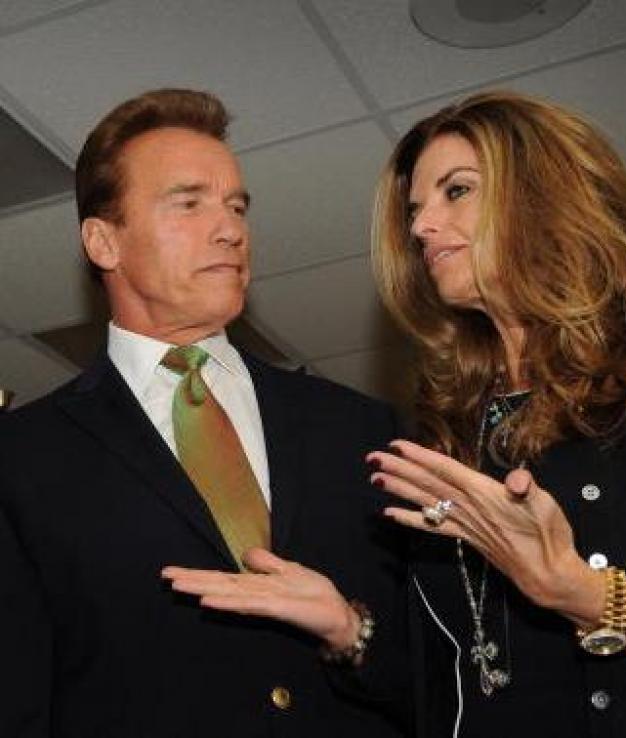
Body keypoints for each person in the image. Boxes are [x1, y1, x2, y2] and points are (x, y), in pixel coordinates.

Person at [0, 89, 407, 738]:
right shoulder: (21, 458)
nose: (231, 228)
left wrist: (352, 632)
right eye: (189, 203)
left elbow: (442, 681)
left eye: (236, 206)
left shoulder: (361, 431)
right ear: (103, 241)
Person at [362, 90, 626, 736]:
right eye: (416, 209)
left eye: (455, 191)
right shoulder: (450, 433)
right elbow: (453, 686)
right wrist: (349, 630)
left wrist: (588, 597)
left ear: (538, 198)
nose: (421, 226)